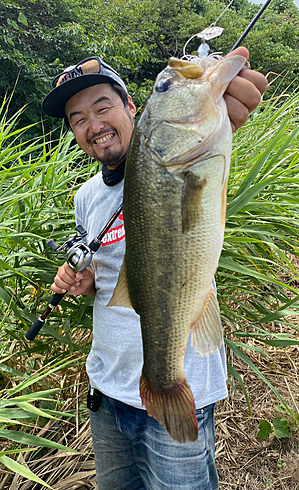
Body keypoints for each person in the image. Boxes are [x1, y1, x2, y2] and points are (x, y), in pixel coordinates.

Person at [42, 49, 267, 490]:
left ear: (132, 107)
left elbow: (218, 129)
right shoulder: (86, 197)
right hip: (106, 391)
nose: (93, 125)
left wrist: (225, 107)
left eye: (102, 106)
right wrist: (86, 283)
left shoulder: (190, 156)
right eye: (78, 118)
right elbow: (113, 281)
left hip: (181, 388)